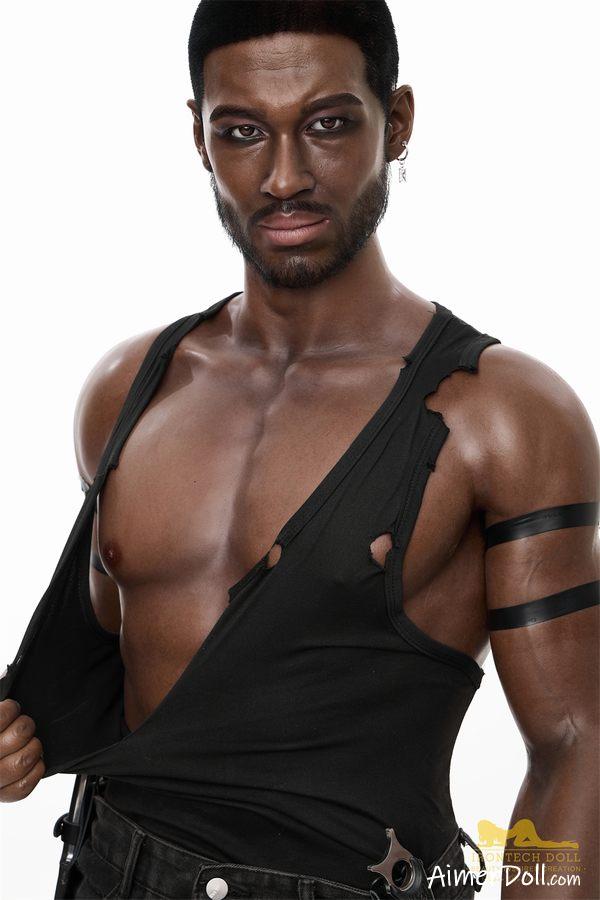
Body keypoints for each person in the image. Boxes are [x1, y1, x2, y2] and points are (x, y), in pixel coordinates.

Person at [1, 2, 598, 898]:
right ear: (200, 140)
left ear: (397, 122)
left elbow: (576, 745)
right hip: (102, 869)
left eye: (327, 125)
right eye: (242, 132)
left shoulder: (501, 417)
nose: (284, 177)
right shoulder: (129, 390)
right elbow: (136, 679)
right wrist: (20, 738)